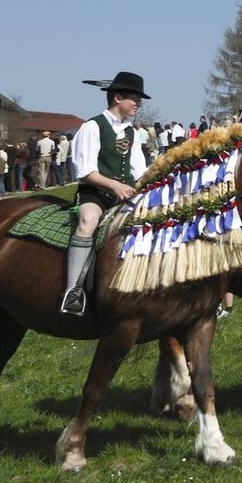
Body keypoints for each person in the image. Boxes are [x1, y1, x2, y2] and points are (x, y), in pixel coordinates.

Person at [61, 71, 150, 316]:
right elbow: (84, 171)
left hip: (126, 194)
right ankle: (73, 290)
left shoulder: (131, 132)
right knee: (87, 221)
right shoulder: (92, 127)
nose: (138, 105)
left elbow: (140, 170)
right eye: (135, 99)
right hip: (96, 194)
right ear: (118, 97)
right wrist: (114, 186)